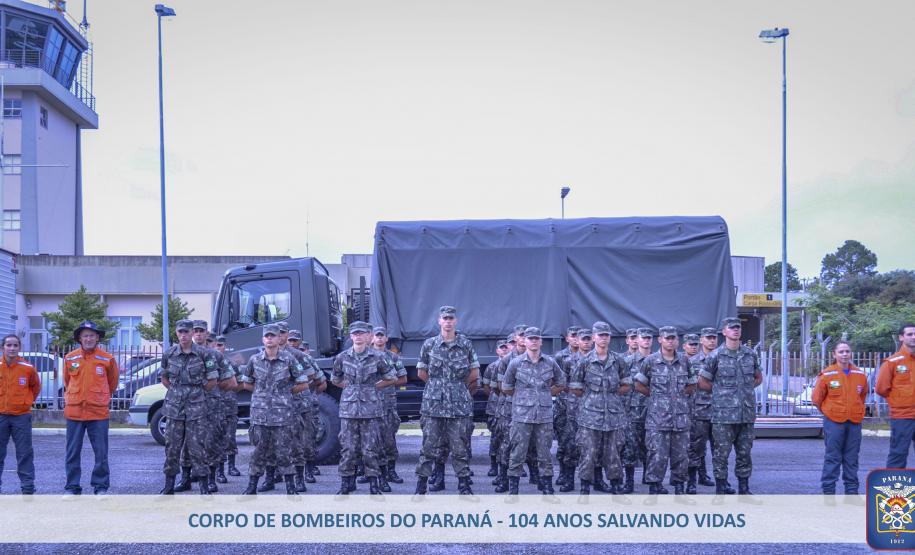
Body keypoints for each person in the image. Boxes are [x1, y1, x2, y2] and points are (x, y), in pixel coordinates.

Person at [239, 324, 312, 495]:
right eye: (267, 336)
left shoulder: (289, 359)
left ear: (279, 339)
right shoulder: (254, 360)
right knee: (259, 451)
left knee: (284, 451)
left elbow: (302, 383)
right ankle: (252, 486)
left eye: (273, 336)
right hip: (260, 415)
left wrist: (284, 393)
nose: (270, 339)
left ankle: (290, 487)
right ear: (263, 339)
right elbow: (246, 383)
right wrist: (261, 393)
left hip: (282, 414)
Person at [414, 306, 480, 496]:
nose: (448, 321)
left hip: (459, 404)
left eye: (451, 318)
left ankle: (464, 485)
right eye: (445, 318)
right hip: (433, 405)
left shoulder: (465, 344)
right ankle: (421, 485)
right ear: (439, 321)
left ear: (456, 321)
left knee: (460, 447)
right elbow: (421, 372)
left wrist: (456, 387)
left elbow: (474, 373)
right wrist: (439, 386)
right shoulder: (429, 345)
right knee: (428, 447)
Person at [698, 317, 762, 495]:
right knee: (721, 454)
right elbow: (702, 381)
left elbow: (758, 377)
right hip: (723, 416)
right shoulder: (715, 356)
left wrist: (744, 390)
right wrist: (722, 393)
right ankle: (721, 488)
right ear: (724, 332)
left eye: (738, 327)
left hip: (746, 414)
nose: (736, 330)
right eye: (731, 328)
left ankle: (744, 488)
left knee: (744, 453)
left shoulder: (750, 354)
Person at [332, 321, 397, 495]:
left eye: (361, 333)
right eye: (355, 333)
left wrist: (374, 387)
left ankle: (374, 484)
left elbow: (391, 378)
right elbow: (335, 379)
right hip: (349, 410)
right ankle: (347, 483)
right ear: (351, 336)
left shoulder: (377, 357)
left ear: (367, 336)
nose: (358, 336)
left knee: (371, 448)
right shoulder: (342, 357)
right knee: (348, 448)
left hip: (371, 409)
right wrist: (350, 388)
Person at [501, 327, 565, 495]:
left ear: (541, 341)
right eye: (530, 338)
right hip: (521, 416)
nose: (534, 341)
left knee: (544, 452)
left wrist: (545, 394)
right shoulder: (515, 363)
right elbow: (506, 387)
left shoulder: (550, 362)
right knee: (517, 452)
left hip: (544, 416)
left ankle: (547, 485)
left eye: (537, 338)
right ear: (525, 341)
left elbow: (561, 382)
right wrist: (523, 397)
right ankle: (513, 488)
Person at [569, 322, 631, 495]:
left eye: (606, 335)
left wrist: (610, 394)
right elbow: (575, 387)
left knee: (614, 453)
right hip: (590, 417)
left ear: (610, 337)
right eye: (600, 335)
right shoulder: (585, 361)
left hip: (613, 416)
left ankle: (616, 486)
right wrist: (592, 398)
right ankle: (585, 488)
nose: (603, 338)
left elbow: (627, 385)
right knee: (588, 453)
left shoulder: (618, 361)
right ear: (594, 337)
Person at [634, 327, 697, 495]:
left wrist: (680, 397)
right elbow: (639, 384)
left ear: (677, 341)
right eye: (667, 338)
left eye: (673, 338)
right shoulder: (651, 361)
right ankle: (655, 487)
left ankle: (679, 488)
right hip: (657, 419)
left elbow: (692, 384)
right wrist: (656, 397)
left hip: (681, 419)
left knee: (681, 455)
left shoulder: (684, 361)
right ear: (660, 340)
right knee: (657, 455)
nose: (670, 341)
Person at [159, 319, 218, 495]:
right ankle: (169, 485)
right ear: (176, 333)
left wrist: (196, 394)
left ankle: (203, 486)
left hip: (196, 409)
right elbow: (164, 378)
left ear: (192, 333)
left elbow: (212, 380)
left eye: (186, 332)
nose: (183, 335)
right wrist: (177, 392)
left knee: (197, 447)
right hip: (174, 408)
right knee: (172, 447)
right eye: (180, 332)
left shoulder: (204, 354)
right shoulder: (169, 354)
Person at [63, 320, 119, 495]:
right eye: (85, 335)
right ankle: (72, 487)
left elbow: (112, 383)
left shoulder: (107, 359)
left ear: (97, 338)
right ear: (80, 338)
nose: (88, 338)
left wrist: (98, 397)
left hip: (98, 413)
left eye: (92, 335)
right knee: (72, 453)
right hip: (74, 412)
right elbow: (67, 382)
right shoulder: (70, 358)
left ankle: (100, 486)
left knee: (101, 453)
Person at [812, 340, 867, 495]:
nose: (844, 354)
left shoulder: (860, 375)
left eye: (847, 351)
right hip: (834, 422)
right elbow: (817, 399)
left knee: (852, 458)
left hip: (854, 422)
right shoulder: (827, 374)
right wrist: (830, 412)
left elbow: (862, 396)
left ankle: (852, 493)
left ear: (851, 354)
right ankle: (829, 493)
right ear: (834, 354)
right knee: (833, 457)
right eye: (841, 351)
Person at [190, 320, 236, 493]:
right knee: (190, 443)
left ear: (207, 334)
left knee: (211, 442)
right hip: (189, 406)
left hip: (211, 406)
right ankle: (188, 477)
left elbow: (232, 381)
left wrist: (214, 389)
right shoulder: (181, 353)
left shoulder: (215, 355)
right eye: (196, 331)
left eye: (202, 331)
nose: (198, 334)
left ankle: (211, 478)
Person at [369, 326, 408, 490]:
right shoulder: (366, 356)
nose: (379, 339)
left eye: (382, 336)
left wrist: (386, 384)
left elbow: (402, 379)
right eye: (376, 336)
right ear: (372, 338)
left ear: (386, 339)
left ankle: (390, 472)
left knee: (389, 438)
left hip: (387, 403)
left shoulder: (393, 357)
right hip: (369, 403)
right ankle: (369, 473)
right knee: (369, 439)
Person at [0, 335, 40, 494]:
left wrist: (26, 402)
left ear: (19, 347)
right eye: (8, 345)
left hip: (21, 417)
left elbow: (35, 388)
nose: (12, 348)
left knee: (24, 453)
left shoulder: (28, 368)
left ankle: (28, 487)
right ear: (3, 347)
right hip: (0, 416)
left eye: (15, 345)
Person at [876, 322, 915, 468]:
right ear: (901, 337)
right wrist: (899, 399)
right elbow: (881, 388)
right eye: (909, 334)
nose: (913, 337)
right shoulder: (892, 363)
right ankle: (894, 490)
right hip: (902, 416)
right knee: (898, 455)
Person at [289, 329, 326, 481]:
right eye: (290, 340)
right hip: (285, 404)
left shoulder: (305, 359)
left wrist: (311, 395)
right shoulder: (282, 357)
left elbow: (321, 382)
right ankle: (280, 472)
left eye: (295, 340)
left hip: (304, 403)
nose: (292, 343)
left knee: (307, 438)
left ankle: (309, 470)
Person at [687, 327, 718, 493]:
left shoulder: (722, 359)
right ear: (702, 340)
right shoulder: (691, 362)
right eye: (708, 338)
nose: (712, 340)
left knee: (719, 449)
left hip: (720, 410)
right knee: (696, 447)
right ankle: (692, 481)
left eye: (714, 337)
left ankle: (719, 480)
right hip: (698, 410)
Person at [621, 327, 652, 494]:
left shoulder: (657, 360)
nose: (646, 341)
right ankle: (629, 481)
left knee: (652, 447)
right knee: (630, 447)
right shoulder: (627, 362)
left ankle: (650, 478)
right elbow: (621, 386)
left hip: (654, 412)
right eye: (643, 338)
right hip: (632, 412)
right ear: (637, 341)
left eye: (649, 338)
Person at [552, 326, 580, 491]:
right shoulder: (560, 357)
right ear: (567, 339)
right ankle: (563, 472)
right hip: (564, 404)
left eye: (579, 336)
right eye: (573, 336)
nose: (577, 338)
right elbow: (556, 381)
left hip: (582, 404)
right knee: (565, 440)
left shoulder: (589, 356)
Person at [482, 339, 510, 478]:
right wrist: (496, 398)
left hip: (510, 406)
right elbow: (487, 387)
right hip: (495, 406)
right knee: (496, 437)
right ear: (497, 351)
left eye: (506, 347)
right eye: (502, 348)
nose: (504, 350)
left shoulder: (513, 364)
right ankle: (494, 466)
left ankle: (512, 466)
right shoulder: (492, 367)